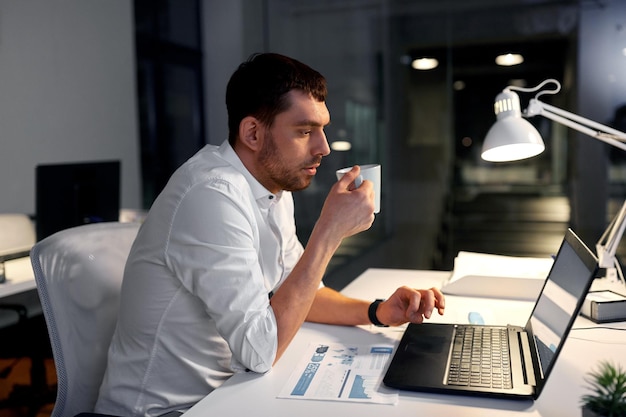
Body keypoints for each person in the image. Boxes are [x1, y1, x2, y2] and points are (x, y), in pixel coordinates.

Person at [95, 52, 445, 416]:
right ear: (252, 133)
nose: (323, 147)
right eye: (305, 131)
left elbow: (297, 290)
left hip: (227, 394)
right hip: (165, 411)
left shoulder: (272, 186)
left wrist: (376, 312)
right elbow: (260, 352)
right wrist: (328, 233)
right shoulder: (210, 195)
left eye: (322, 129)